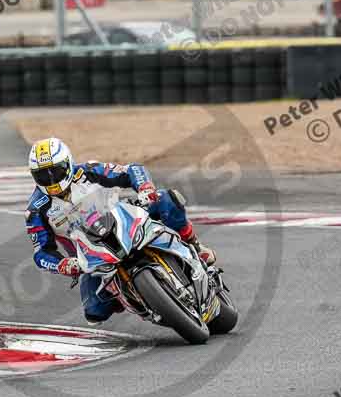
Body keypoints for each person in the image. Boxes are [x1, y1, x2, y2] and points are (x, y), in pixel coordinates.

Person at [25, 137, 216, 324]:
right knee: (94, 311)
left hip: (124, 222)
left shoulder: (88, 172)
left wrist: (145, 187)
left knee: (167, 199)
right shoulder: (36, 209)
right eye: (43, 175)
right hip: (91, 258)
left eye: (55, 172)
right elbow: (41, 252)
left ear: (67, 164)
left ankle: (195, 246)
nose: (51, 180)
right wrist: (62, 264)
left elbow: (132, 170)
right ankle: (136, 295)